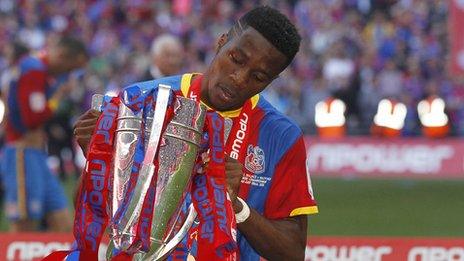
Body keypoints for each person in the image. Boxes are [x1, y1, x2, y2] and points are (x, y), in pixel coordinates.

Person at [74, 6, 317, 260]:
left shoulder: (281, 136)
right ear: (222, 42)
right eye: (237, 59)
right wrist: (99, 159)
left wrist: (235, 207)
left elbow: (292, 252)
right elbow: (90, 210)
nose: (239, 78)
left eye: (258, 76)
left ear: (272, 80)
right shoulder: (141, 102)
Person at [0, 36, 88, 232]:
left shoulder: (34, 67)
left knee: (63, 222)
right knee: (24, 225)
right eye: (72, 68)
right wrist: (58, 96)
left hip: (36, 154)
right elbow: (33, 118)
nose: (70, 74)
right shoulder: (34, 69)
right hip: (23, 153)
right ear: (64, 57)